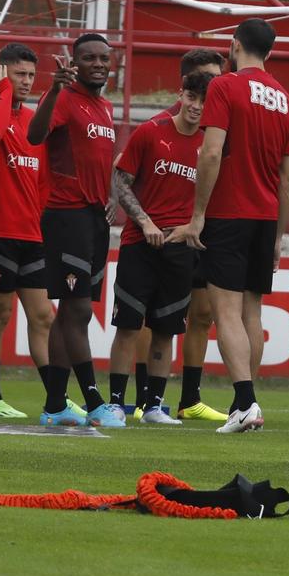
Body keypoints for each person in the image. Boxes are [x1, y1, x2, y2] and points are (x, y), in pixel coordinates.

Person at [168, 17, 289, 434]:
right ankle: (246, 402)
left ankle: (245, 403)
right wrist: (278, 235)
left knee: (224, 313)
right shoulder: (287, 100)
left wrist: (198, 215)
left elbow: (210, 153)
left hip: (228, 213)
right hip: (264, 217)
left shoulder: (224, 86)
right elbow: (288, 178)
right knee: (251, 313)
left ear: (234, 44)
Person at [109, 69, 212, 426]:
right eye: (192, 97)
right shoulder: (151, 132)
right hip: (140, 242)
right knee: (128, 326)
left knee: (167, 329)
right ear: (180, 94)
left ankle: (154, 406)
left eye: (204, 100)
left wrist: (193, 228)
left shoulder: (211, 147)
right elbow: (121, 183)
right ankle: (117, 406)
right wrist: (146, 222)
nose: (197, 106)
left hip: (180, 248)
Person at [0, 43, 65, 422]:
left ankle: (55, 399)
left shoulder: (34, 121)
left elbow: (43, 182)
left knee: (44, 317)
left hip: (30, 235)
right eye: (17, 74)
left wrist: (37, 218)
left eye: (29, 75)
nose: (25, 81)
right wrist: (2, 93)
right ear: (1, 73)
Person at [29, 33, 119, 427]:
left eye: (104, 58)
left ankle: (54, 405)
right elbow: (35, 136)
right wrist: (52, 90)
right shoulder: (64, 98)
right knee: (77, 308)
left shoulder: (105, 106)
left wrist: (112, 194)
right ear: (75, 63)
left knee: (73, 311)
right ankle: (95, 401)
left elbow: (98, 161)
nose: (98, 63)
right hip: (67, 215)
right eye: (89, 58)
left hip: (95, 219)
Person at [135, 48, 227, 423]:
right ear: (185, 85)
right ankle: (144, 398)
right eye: (206, 80)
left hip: (204, 230)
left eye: (218, 79)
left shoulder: (217, 127)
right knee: (150, 318)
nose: (213, 87)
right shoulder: (161, 125)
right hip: (166, 236)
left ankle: (190, 398)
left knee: (202, 314)